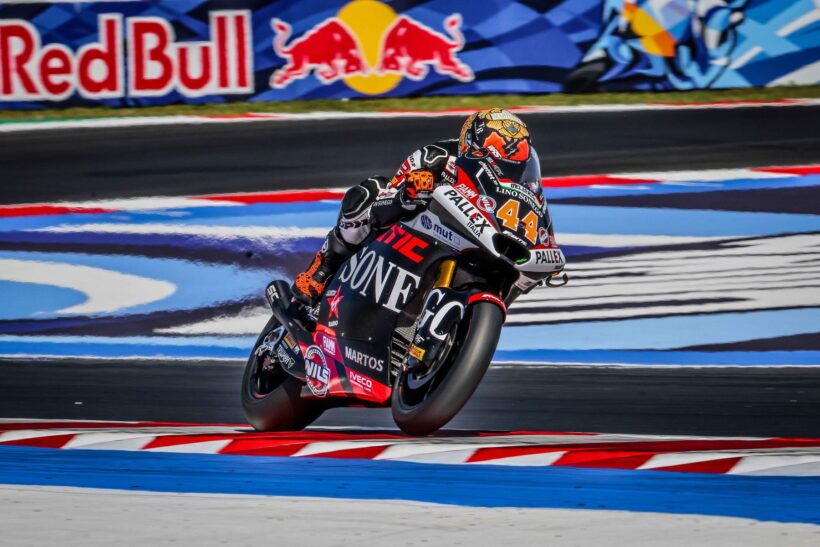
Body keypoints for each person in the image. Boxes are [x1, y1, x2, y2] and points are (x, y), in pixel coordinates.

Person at [291, 108, 536, 305]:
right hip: (410, 234)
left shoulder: (521, 184)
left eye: (513, 168)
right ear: (471, 147)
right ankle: (322, 269)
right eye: (496, 164)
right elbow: (383, 204)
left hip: (471, 244)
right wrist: (407, 196)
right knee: (370, 191)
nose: (503, 173)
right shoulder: (435, 156)